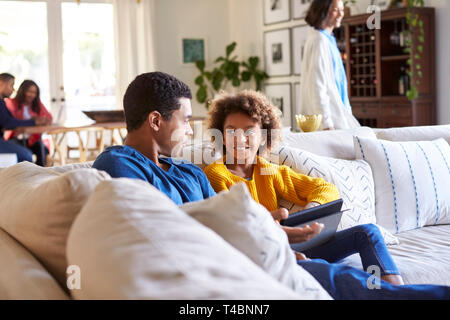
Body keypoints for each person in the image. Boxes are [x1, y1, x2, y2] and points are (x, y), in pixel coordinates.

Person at [92, 71, 450, 300]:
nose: (191, 130)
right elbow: (161, 228)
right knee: (349, 284)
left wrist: (270, 238)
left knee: (347, 281)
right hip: (228, 269)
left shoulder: (192, 175)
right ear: (156, 120)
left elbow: (222, 229)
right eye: (186, 121)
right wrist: (265, 229)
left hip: (257, 255)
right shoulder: (117, 164)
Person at [203, 90, 404, 286]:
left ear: (263, 137)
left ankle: (389, 287)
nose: (239, 138)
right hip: (265, 251)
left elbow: (325, 188)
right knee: (325, 270)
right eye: (231, 131)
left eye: (248, 131)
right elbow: (235, 226)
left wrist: (312, 209)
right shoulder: (216, 174)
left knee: (368, 232)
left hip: (299, 243)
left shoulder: (269, 171)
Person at [299, 0, 360, 130]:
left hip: (339, 114)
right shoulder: (319, 41)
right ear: (323, 10)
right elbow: (318, 85)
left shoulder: (328, 40)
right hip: (329, 121)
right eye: (336, 10)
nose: (341, 14)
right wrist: (326, 123)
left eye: (342, 10)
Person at [0, 73, 47, 163]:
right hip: (12, 139)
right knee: (26, 155)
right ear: (1, 83)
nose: (13, 89)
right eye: (11, 85)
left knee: (40, 148)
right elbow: (8, 123)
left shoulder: (2, 102)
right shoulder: (8, 103)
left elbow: (8, 121)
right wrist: (33, 122)